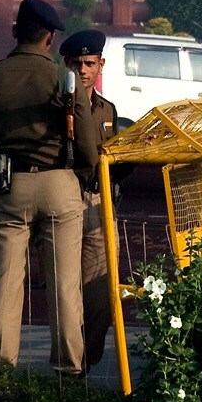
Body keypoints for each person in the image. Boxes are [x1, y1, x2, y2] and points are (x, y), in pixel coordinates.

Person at [0, 0, 99, 371]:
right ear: (50, 38)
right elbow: (88, 146)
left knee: (5, 285)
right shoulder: (63, 77)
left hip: (10, 185)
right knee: (65, 288)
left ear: (15, 31)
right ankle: (68, 372)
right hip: (60, 183)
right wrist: (79, 176)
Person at [62, 29, 123, 378]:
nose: (83, 70)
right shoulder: (57, 108)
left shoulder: (107, 110)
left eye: (89, 63)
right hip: (65, 200)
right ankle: (71, 368)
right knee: (67, 295)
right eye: (76, 64)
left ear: (101, 65)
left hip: (99, 204)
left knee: (102, 296)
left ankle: (86, 360)